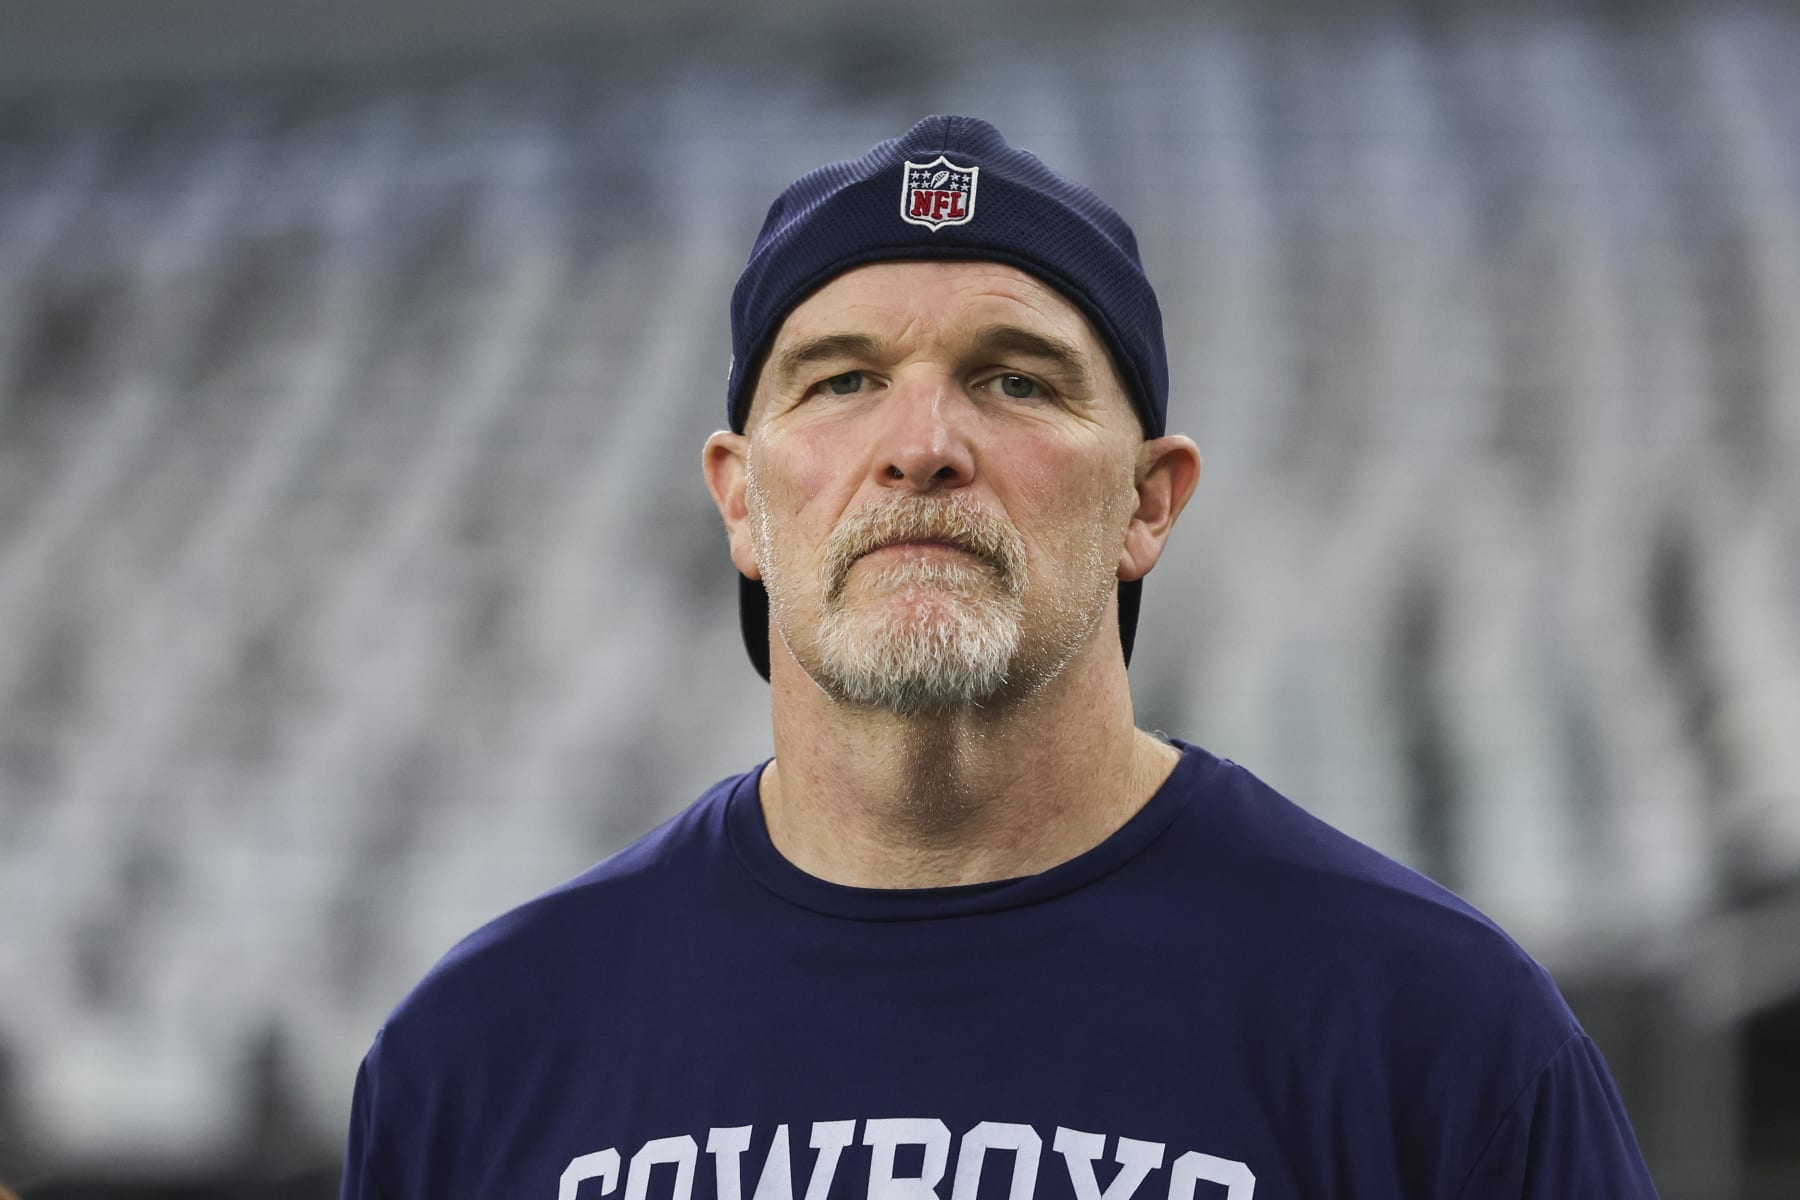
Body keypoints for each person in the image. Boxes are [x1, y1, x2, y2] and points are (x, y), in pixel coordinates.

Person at [339, 115, 1659, 1199]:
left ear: (1150, 502)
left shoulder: (1434, 1030)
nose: (923, 445)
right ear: (740, 500)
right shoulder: (486, 1052)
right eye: (842, 380)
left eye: (1017, 379)